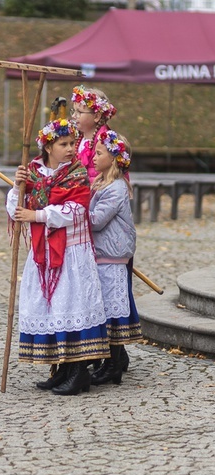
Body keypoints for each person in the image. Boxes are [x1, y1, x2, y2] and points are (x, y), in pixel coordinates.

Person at [6, 118, 109, 396]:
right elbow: (15, 207)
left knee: (72, 304)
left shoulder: (76, 174)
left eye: (73, 143)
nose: (70, 149)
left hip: (72, 253)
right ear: (48, 147)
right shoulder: (34, 173)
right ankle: (60, 368)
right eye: (63, 144)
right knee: (51, 310)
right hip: (44, 255)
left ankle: (79, 372)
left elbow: (76, 211)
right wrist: (18, 188)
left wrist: (37, 215)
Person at [88, 130, 142, 385]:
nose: (93, 157)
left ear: (114, 158)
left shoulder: (116, 188)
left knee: (112, 311)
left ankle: (114, 364)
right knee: (106, 309)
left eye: (99, 153)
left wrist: (72, 214)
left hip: (112, 256)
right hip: (103, 255)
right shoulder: (101, 183)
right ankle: (113, 361)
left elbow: (97, 221)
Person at [71, 85, 117, 185]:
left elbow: (109, 178)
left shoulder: (106, 143)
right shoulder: (75, 138)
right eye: (73, 111)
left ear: (96, 116)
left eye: (79, 112)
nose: (74, 116)